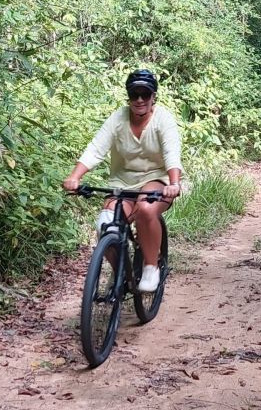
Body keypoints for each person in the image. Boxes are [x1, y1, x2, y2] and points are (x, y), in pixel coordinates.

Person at [62, 69, 182, 293]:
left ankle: (150, 266)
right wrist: (75, 176)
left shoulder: (163, 119)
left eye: (144, 94)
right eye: (134, 94)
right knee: (105, 227)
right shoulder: (118, 118)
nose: (139, 100)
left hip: (157, 179)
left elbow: (171, 153)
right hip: (123, 183)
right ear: (128, 96)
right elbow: (96, 148)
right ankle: (122, 276)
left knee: (146, 209)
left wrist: (174, 183)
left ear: (153, 96)